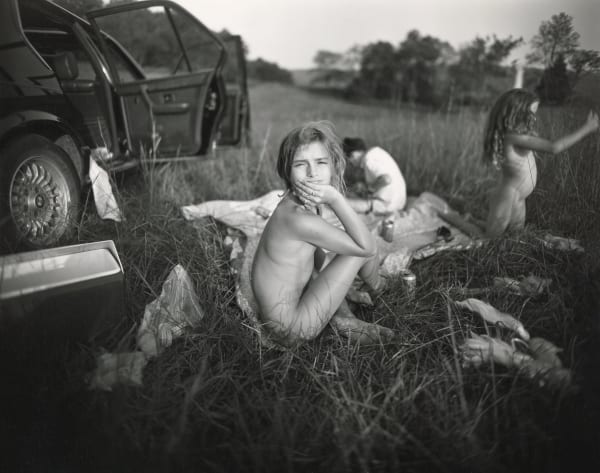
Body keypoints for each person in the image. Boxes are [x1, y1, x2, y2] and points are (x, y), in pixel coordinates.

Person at [251, 121, 394, 346]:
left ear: (333, 166)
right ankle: (381, 290)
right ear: (287, 171)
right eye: (300, 164)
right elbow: (366, 247)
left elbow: (316, 264)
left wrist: (340, 291)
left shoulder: (303, 204)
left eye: (320, 162)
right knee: (360, 249)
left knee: (345, 251)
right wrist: (336, 198)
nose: (312, 173)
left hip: (294, 309)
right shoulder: (296, 218)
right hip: (291, 329)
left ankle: (345, 318)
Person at [483, 88, 599, 237]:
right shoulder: (513, 137)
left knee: (516, 236)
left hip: (519, 196)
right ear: (516, 113)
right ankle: (458, 220)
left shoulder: (520, 135)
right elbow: (554, 147)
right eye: (531, 113)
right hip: (508, 196)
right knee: (489, 240)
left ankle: (470, 220)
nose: (534, 118)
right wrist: (586, 129)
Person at [342, 137, 407, 215]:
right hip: (399, 201)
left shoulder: (368, 159)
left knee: (344, 203)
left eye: (350, 155)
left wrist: (369, 189)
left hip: (389, 205)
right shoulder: (376, 152)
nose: (350, 160)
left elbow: (386, 179)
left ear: (357, 151)